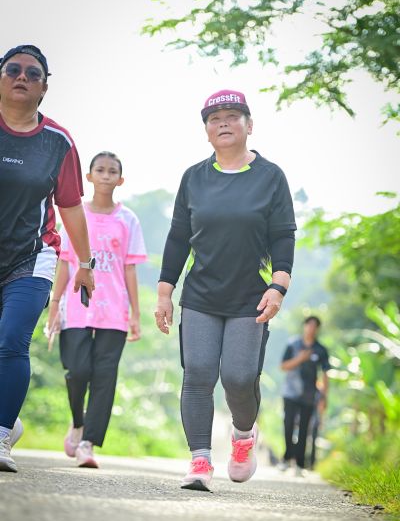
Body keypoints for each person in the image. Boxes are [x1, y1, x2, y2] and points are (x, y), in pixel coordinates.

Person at [155, 89, 296, 491]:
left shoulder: (270, 177)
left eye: (233, 116)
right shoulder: (194, 177)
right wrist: (165, 292)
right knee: (198, 373)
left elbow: (283, 236)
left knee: (238, 376)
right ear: (206, 131)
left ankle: (243, 435)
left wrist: (278, 286)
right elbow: (178, 237)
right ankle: (200, 460)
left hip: (250, 295)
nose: (223, 123)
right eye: (214, 119)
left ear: (250, 125)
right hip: (201, 294)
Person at [0, 45, 94, 473]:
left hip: (31, 257)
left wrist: (85, 264)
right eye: (13, 69)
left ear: (44, 88)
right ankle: (12, 418)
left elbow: (70, 206)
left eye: (33, 73)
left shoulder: (57, 141)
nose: (22, 77)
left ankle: (2, 434)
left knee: (11, 340)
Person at [47, 152, 147, 468]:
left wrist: (135, 313)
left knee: (105, 376)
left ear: (120, 179)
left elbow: (130, 268)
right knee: (77, 371)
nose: (105, 175)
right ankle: (78, 422)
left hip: (114, 310)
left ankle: (88, 443)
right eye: (100, 170)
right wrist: (54, 303)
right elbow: (66, 262)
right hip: (77, 304)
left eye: (112, 171)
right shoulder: (75, 214)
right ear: (88, 177)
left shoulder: (128, 220)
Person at [279, 315, 330, 475]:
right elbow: (283, 366)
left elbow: (325, 374)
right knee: (288, 425)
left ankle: (300, 464)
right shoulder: (292, 344)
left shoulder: (321, 350)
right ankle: (287, 458)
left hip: (309, 395)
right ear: (304, 326)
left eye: (315, 326)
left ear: (317, 329)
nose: (311, 328)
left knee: (304, 429)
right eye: (309, 325)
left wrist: (324, 397)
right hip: (290, 392)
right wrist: (300, 359)